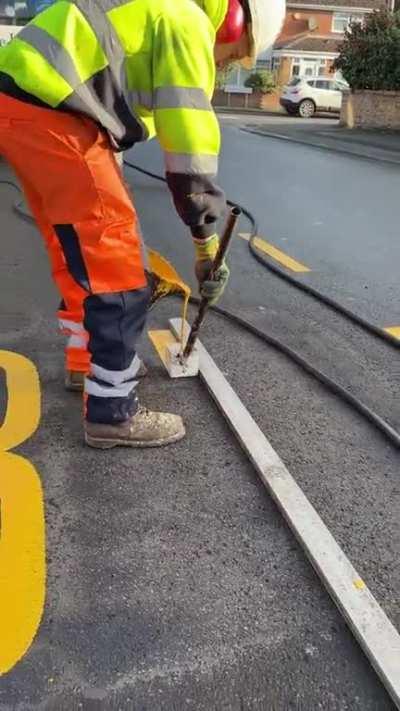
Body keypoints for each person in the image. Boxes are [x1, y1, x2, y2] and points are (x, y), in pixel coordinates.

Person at [0, 0, 284, 449]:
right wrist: (206, 244)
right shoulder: (186, 23)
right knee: (117, 264)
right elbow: (189, 146)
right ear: (233, 21)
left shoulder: (160, 10)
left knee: (73, 245)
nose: (225, 62)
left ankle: (86, 362)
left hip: (23, 103)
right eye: (233, 52)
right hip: (58, 112)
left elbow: (121, 107)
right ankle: (113, 410)